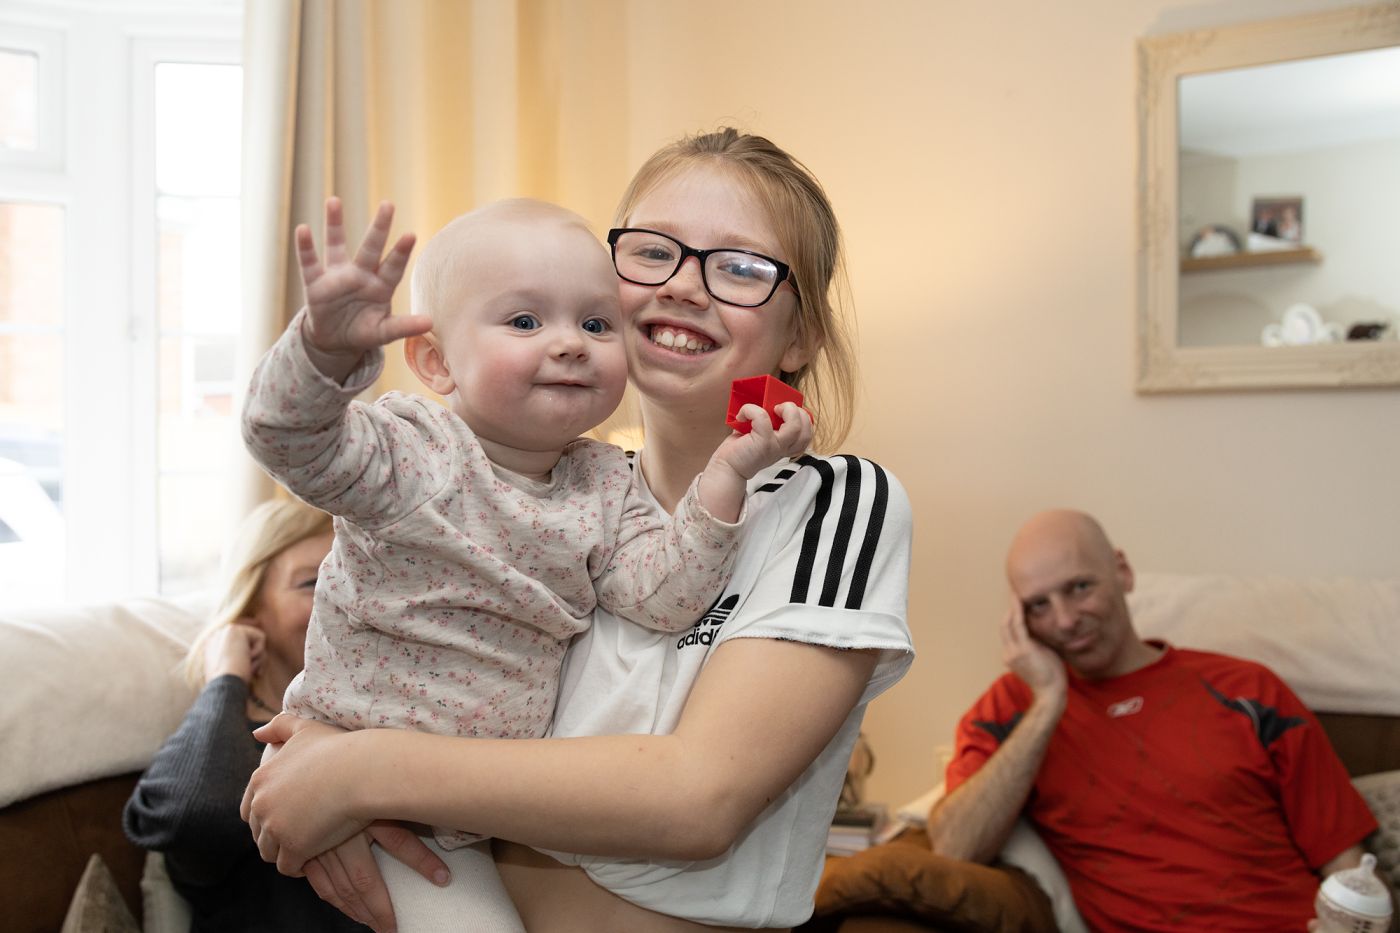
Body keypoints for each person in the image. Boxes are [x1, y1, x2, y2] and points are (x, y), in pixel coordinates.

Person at [239, 127, 915, 933]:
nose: (684, 286)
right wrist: (331, 754)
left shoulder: (832, 503)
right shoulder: (540, 479)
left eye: (740, 267)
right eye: (653, 252)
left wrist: (358, 771)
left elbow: (697, 799)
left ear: (801, 335)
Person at [926, 508, 1381, 931]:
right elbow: (953, 848)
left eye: (1079, 587)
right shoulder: (1014, 711)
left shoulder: (1248, 689)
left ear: (1122, 572)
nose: (1064, 621)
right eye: (1038, 605)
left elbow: (1347, 864)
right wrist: (1047, 703)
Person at [122, 498, 371, 931]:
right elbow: (191, 817)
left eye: (357, 579)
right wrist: (226, 678)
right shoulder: (223, 745)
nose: (344, 600)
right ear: (253, 609)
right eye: (312, 582)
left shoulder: (384, 724)